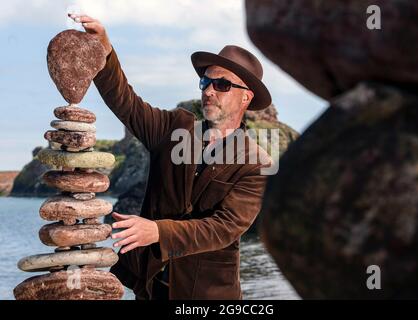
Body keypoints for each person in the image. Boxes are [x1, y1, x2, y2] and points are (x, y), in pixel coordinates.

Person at [69, 14, 273, 300]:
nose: (210, 91)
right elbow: (126, 103)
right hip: (149, 286)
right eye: (205, 83)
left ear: (246, 97)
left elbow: (223, 228)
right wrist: (105, 50)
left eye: (222, 85)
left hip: (209, 294)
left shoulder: (257, 164)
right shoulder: (174, 127)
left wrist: (158, 232)